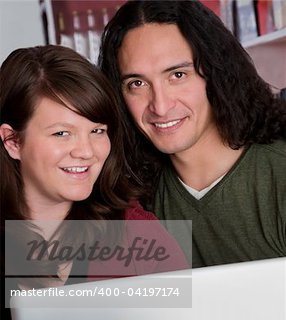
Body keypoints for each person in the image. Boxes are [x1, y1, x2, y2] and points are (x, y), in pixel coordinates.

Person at [0, 45, 189, 320]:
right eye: (61, 132)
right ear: (12, 142)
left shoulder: (137, 233)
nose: (86, 151)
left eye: (97, 131)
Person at [99, 0, 286, 268]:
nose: (160, 106)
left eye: (177, 75)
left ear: (216, 73)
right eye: (137, 83)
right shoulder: (134, 202)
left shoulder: (278, 176)